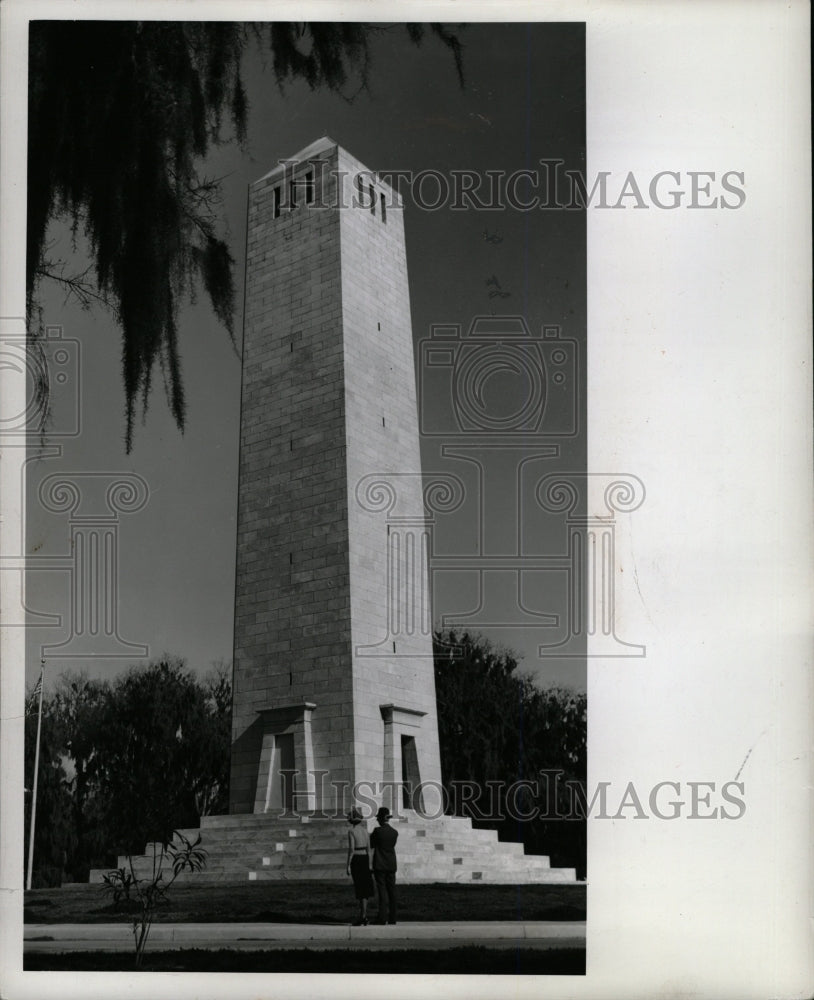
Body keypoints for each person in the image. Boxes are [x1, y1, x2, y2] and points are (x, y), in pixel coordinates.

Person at [370, 805, 398, 925]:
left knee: (382, 891)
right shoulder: (394, 832)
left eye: (378, 818)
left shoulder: (377, 831)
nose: (377, 820)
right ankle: (393, 917)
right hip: (391, 864)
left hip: (380, 864)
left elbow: (371, 845)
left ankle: (382, 917)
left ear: (381, 819)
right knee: (391, 891)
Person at [346, 807, 374, 925]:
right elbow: (369, 849)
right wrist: (370, 864)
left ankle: (362, 916)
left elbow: (351, 849)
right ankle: (364, 915)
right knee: (365, 889)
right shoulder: (365, 831)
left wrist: (347, 864)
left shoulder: (351, 831)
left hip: (357, 859)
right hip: (365, 859)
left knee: (359, 888)